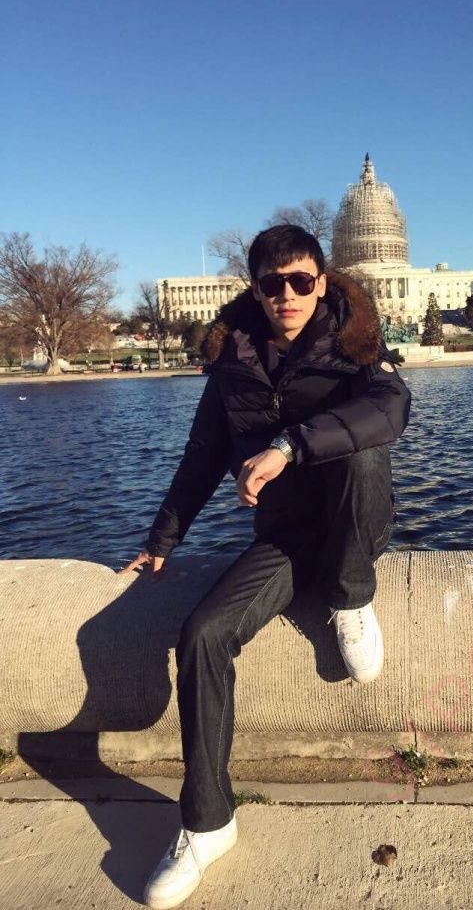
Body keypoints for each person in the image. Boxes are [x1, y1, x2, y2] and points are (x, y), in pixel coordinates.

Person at [118, 224, 411, 909]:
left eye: (302, 281)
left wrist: (288, 446)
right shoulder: (233, 361)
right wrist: (163, 539)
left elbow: (391, 410)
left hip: (353, 522)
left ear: (322, 281)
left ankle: (351, 596)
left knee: (363, 453)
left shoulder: (355, 341)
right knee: (203, 634)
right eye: (273, 284)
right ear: (255, 289)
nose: (288, 295)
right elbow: (201, 456)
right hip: (285, 536)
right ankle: (207, 823)